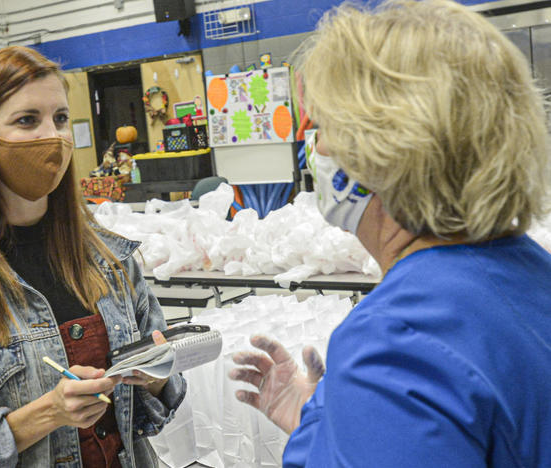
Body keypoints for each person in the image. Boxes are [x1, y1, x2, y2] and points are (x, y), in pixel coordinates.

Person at [229, 0, 551, 466]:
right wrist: (332, 425)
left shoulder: (397, 342)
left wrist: (363, 409)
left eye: (320, 128)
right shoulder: (529, 273)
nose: (314, 149)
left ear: (376, 154)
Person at [0, 46, 186, 468]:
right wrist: (44, 415)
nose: (54, 136)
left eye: (60, 119)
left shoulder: (109, 259)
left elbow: (154, 409)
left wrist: (155, 377)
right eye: (27, 120)